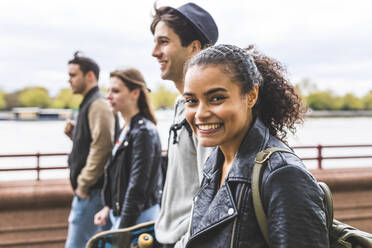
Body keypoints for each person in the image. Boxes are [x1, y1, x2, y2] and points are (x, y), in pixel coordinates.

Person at [182, 44, 329, 247]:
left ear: (251, 95)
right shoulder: (215, 162)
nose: (200, 113)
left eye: (216, 98)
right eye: (191, 100)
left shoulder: (283, 174)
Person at [150, 2, 218, 247]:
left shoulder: (207, 112)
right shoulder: (181, 105)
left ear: (194, 48)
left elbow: (214, 196)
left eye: (164, 42)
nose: (154, 52)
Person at [94, 68, 162, 230]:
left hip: (138, 218)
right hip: (124, 215)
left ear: (135, 93)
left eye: (116, 91)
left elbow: (137, 186)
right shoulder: (126, 128)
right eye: (108, 90)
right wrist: (109, 207)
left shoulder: (143, 131)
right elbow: (119, 175)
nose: (108, 96)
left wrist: (123, 230)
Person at [64, 52, 116, 248]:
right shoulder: (90, 102)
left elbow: (102, 147)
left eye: (73, 75)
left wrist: (83, 184)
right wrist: (75, 135)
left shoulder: (98, 103)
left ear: (90, 76)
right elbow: (94, 143)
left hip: (92, 192)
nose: (69, 80)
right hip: (93, 191)